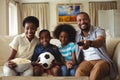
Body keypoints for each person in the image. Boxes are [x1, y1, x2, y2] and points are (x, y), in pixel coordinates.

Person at [75, 12, 118, 80]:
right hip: (87, 61)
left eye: (85, 19)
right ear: (77, 22)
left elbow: (100, 41)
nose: (82, 22)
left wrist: (89, 43)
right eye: (79, 20)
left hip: (102, 60)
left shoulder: (99, 30)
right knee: (79, 72)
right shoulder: (77, 34)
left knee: (96, 72)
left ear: (89, 20)